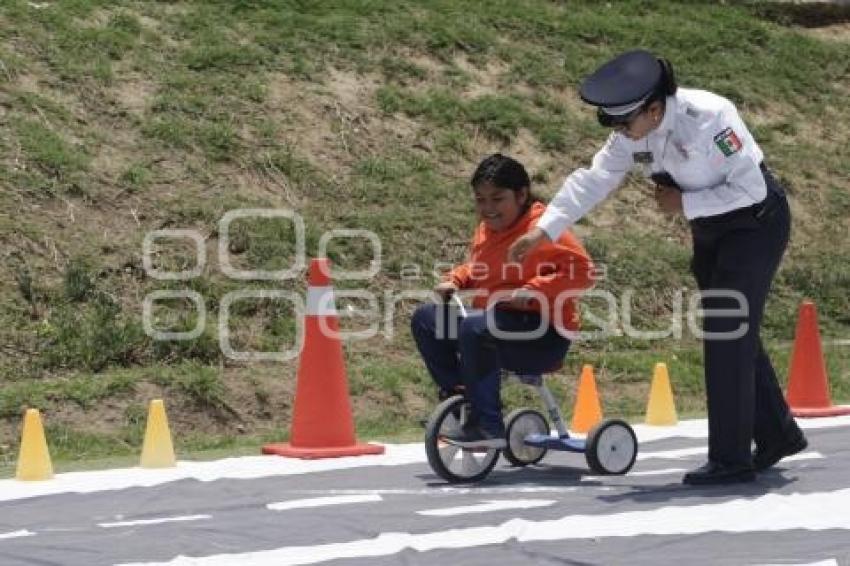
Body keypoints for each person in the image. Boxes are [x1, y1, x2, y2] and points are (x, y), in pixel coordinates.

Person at [507, 50, 807, 485]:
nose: (620, 134)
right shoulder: (634, 131)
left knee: (727, 330)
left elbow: (751, 188)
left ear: (653, 108)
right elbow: (594, 178)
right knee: (734, 333)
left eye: (624, 124)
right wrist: (543, 231)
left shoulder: (712, 118)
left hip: (755, 223)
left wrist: (683, 203)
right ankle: (777, 433)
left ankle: (731, 460)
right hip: (709, 229)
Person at [410, 154, 595, 448]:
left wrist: (535, 288)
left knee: (475, 327)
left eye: (497, 199)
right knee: (426, 318)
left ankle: (488, 426)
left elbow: (584, 272)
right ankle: (461, 398)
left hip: (542, 335)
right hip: (498, 324)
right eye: (481, 200)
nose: (488, 209)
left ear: (521, 195)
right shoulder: (487, 229)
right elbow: (481, 267)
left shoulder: (544, 228)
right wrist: (456, 279)